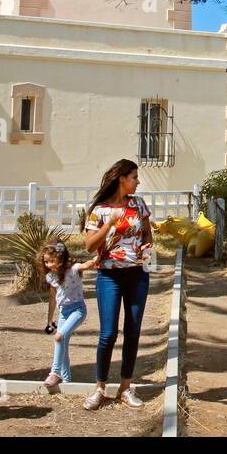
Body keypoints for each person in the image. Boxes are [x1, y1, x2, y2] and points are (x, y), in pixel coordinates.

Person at [82, 158, 153, 410]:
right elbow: (89, 245)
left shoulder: (138, 204)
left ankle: (125, 387)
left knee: (132, 332)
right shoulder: (99, 210)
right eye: (134, 177)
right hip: (108, 275)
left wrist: (147, 249)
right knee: (108, 333)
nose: (137, 181)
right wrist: (110, 224)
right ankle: (100, 387)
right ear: (122, 178)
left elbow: (146, 231)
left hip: (137, 275)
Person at [39, 241, 94, 390]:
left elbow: (86, 265)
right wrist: (50, 320)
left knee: (59, 337)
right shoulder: (51, 277)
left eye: (52, 261)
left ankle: (55, 373)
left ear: (61, 259)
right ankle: (67, 381)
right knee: (62, 344)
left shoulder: (73, 270)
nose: (49, 264)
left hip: (78, 310)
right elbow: (52, 298)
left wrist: (97, 259)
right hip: (64, 312)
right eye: (46, 261)